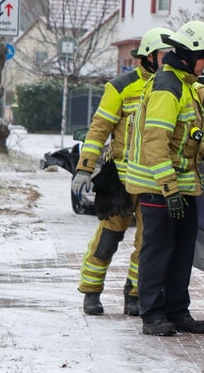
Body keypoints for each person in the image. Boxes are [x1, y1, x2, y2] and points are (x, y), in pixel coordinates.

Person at [125, 20, 204, 336]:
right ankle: (152, 314)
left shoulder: (184, 84)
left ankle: (177, 311)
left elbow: (184, 136)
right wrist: (169, 189)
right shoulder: (167, 86)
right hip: (159, 186)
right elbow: (156, 142)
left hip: (181, 185)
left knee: (181, 252)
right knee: (158, 251)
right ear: (191, 54)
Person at [72, 28, 170, 316]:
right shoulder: (121, 87)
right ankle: (91, 291)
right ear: (149, 56)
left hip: (152, 179)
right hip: (120, 180)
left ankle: (135, 294)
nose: (169, 60)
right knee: (108, 238)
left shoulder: (169, 87)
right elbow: (99, 129)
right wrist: (85, 167)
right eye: (165, 54)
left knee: (146, 243)